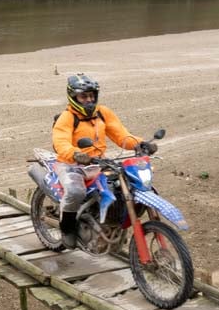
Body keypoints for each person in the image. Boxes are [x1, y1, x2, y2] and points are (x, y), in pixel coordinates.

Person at [52, 73, 155, 249]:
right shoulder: (67, 117)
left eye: (91, 95)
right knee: (76, 192)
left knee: (124, 185)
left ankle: (109, 221)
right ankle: (67, 229)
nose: (89, 100)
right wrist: (75, 154)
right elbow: (60, 141)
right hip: (71, 164)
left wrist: (141, 144)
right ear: (74, 97)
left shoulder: (103, 113)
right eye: (84, 96)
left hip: (98, 162)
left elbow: (121, 135)